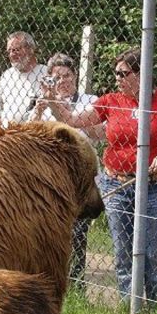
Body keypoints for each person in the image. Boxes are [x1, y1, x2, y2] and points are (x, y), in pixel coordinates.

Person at [42, 47, 157, 307]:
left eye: (123, 73)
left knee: (156, 253)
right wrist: (53, 102)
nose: (117, 78)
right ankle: (130, 306)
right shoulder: (111, 101)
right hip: (118, 185)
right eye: (116, 73)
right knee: (124, 254)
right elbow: (72, 119)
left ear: (141, 74)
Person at [28, 52, 102, 288]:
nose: (63, 81)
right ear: (49, 80)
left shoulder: (89, 101)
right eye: (56, 77)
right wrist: (40, 110)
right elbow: (28, 136)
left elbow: (98, 133)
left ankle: (77, 280)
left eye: (67, 75)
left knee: (77, 232)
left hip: (77, 176)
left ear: (75, 76)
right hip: (47, 176)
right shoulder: (42, 103)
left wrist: (61, 110)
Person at [0, 31, 48, 128]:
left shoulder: (46, 74)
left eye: (16, 50)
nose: (12, 54)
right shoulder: (7, 75)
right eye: (9, 51)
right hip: (8, 136)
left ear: (31, 49)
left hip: (36, 134)